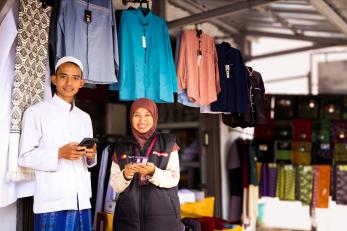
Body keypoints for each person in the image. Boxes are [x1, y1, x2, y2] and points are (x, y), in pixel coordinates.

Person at [18, 56, 97, 231]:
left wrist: (90, 156)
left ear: (82, 83)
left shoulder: (85, 117)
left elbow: (88, 161)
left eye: (75, 77)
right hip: (52, 202)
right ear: (54, 79)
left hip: (82, 201)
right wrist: (59, 153)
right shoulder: (36, 112)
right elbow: (24, 157)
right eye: (63, 76)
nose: (69, 82)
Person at [110, 98, 181, 231]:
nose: (142, 120)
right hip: (127, 220)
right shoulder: (121, 147)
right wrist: (125, 175)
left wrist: (153, 172)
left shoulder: (168, 143)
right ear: (131, 117)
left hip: (163, 221)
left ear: (154, 117)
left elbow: (174, 178)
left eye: (147, 115)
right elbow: (115, 185)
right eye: (137, 115)